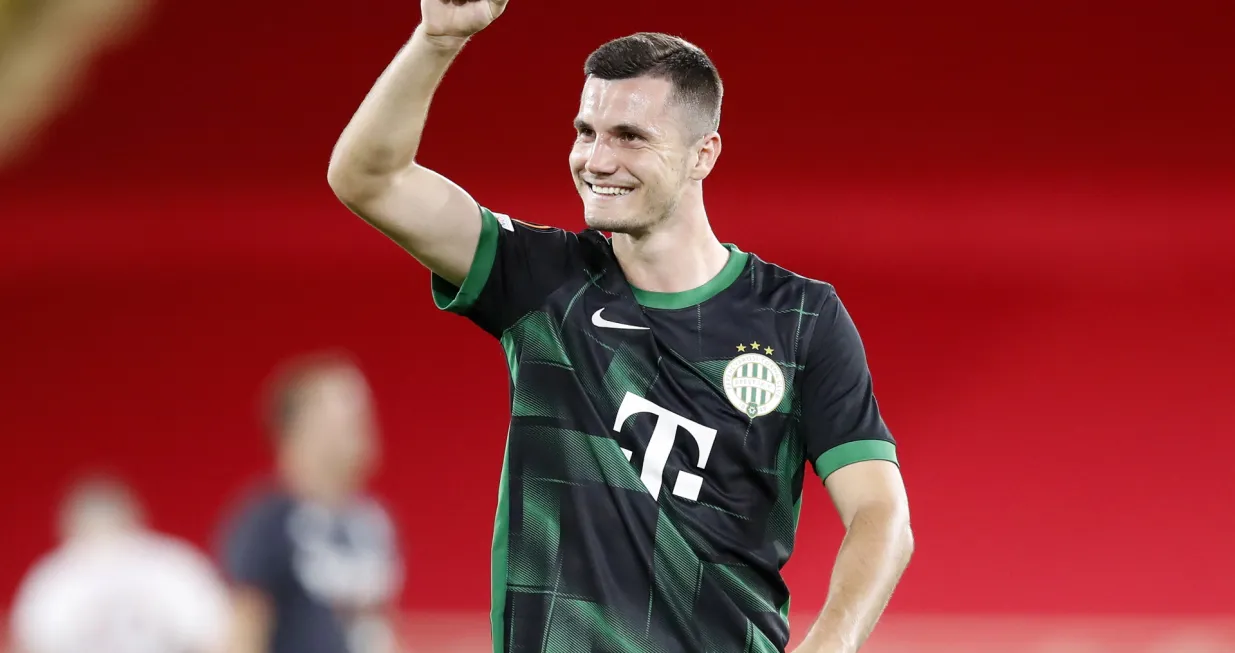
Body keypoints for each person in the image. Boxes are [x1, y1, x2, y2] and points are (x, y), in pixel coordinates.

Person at [326, 2, 915, 652]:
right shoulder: (543, 281)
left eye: (630, 136)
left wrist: (828, 644)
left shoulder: (799, 317)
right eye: (586, 131)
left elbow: (879, 512)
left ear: (702, 154)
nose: (596, 160)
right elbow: (368, 179)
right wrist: (437, 41)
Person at [217, 352, 404, 653]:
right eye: (348, 416)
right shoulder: (268, 523)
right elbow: (244, 633)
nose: (364, 425)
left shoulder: (372, 521)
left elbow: (381, 627)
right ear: (300, 428)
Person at [8, 474, 229, 653]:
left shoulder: (51, 576)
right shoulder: (175, 562)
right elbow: (222, 639)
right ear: (137, 515)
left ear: (67, 526)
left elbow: (24, 645)